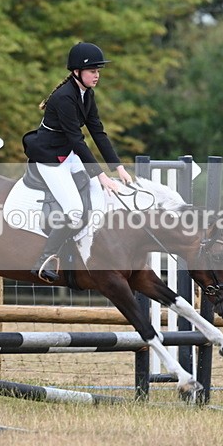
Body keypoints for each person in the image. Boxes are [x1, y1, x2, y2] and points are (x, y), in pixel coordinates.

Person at [22, 42, 134, 282]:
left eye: (98, 71)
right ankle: (45, 259)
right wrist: (101, 175)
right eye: (92, 71)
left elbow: (98, 132)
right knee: (74, 211)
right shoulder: (64, 98)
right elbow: (77, 139)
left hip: (68, 153)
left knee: (97, 198)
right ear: (77, 71)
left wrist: (118, 167)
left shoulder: (87, 94)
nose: (97, 75)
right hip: (50, 158)